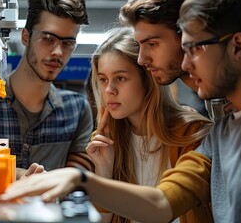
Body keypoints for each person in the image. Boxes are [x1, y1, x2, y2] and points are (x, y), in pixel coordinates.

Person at [0, 0, 241, 222]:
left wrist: (82, 179)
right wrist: (88, 178)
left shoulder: (202, 132)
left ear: (237, 47)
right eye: (102, 80)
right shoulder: (219, 134)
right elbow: (162, 203)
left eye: (194, 49)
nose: (186, 64)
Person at [88, 26, 213, 222]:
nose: (109, 90)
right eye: (103, 80)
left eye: (120, 78)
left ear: (148, 80)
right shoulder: (107, 141)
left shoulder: (191, 132)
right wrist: (103, 172)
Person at [0, 0, 94, 179]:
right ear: (26, 36)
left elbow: (75, 179)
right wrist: (22, 175)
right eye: (48, 39)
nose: (58, 52)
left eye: (67, 44)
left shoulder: (77, 110)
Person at [118, 0, 234, 119]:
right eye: (139, 45)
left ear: (189, 35)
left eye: (152, 44)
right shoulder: (214, 102)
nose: (141, 59)